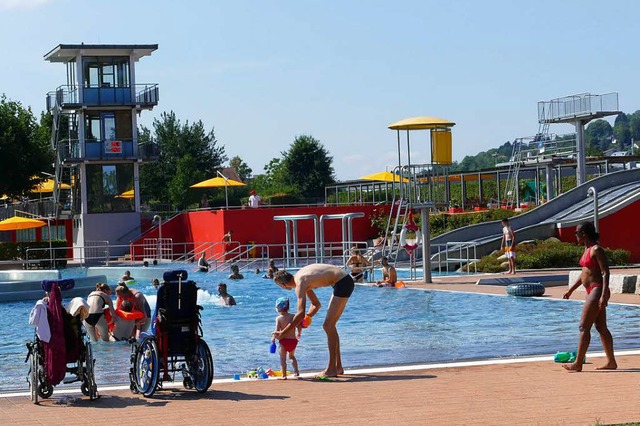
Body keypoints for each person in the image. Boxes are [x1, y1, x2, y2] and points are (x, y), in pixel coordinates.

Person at [273, 264, 354, 378]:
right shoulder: (300, 277)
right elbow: (316, 304)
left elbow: (300, 313)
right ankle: (338, 366)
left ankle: (331, 369)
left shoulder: (300, 284)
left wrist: (283, 333)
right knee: (330, 326)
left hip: (342, 282)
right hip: (343, 281)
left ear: (283, 285)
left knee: (328, 326)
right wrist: (308, 317)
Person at [562, 221, 617, 372]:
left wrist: (604, 294)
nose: (575, 235)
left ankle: (578, 364)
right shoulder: (586, 250)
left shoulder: (596, 250)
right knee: (601, 327)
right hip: (591, 291)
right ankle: (611, 362)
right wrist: (571, 290)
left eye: (576, 233)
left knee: (583, 327)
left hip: (597, 290)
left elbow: (605, 272)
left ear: (584, 234)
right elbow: (584, 274)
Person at [271, 297, 301, 379]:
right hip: (293, 341)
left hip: (283, 341)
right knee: (292, 357)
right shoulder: (293, 316)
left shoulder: (279, 318)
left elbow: (277, 330)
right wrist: (299, 333)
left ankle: (284, 375)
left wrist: (273, 337)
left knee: (282, 359)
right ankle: (296, 372)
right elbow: (299, 325)